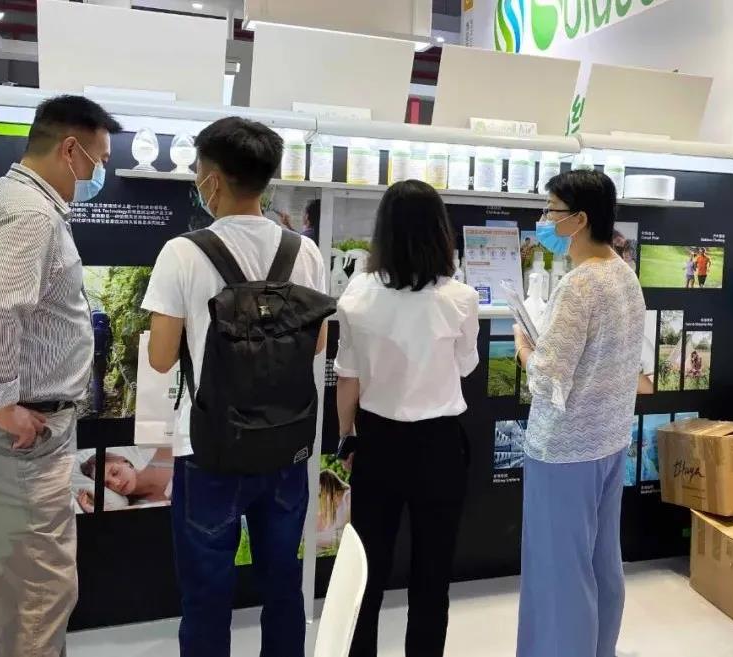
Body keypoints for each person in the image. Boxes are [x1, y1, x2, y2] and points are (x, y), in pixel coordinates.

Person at [0, 94, 121, 657]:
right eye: (98, 160)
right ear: (69, 150)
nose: (99, 173)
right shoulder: (30, 215)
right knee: (39, 595)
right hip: (14, 441)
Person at [141, 116, 327, 657]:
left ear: (213, 179)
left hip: (209, 449)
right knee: (282, 586)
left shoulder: (182, 252)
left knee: (206, 595)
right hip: (286, 445)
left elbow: (159, 359)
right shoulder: (304, 252)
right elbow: (317, 345)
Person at [335, 180, 479, 657]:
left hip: (377, 443)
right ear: (440, 231)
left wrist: (346, 438)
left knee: (367, 573)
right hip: (439, 447)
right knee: (432, 577)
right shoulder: (460, 298)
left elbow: (348, 379)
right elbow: (466, 366)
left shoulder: (357, 294)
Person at [513, 170, 646, 657]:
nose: (545, 220)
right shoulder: (625, 276)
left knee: (559, 574)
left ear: (580, 219)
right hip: (609, 441)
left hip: (564, 452)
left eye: (551, 211)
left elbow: (548, 378)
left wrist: (524, 348)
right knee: (601, 563)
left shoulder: (578, 285)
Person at [76, 447, 174, 512]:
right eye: (107, 484)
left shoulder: (166, 454)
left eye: (115, 472)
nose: (116, 483)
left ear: (126, 462)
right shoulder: (139, 507)